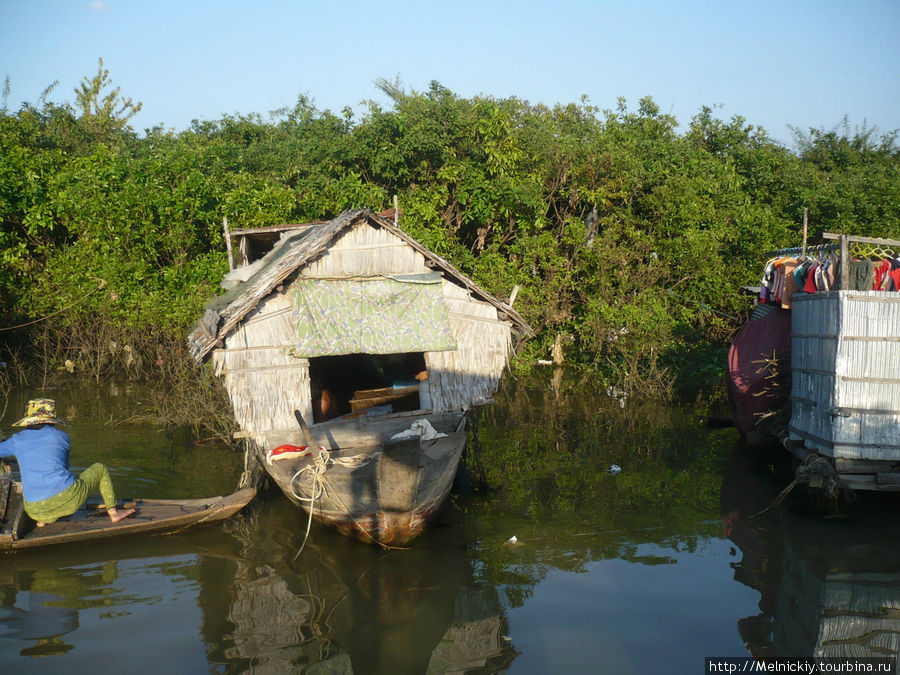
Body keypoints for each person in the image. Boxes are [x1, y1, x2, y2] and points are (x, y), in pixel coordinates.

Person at [0, 399, 135, 527]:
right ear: (52, 420)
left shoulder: (17, 440)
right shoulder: (62, 437)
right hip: (68, 500)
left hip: (34, 510)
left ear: (28, 420)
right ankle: (114, 513)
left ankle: (42, 521)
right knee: (100, 468)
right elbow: (63, 467)